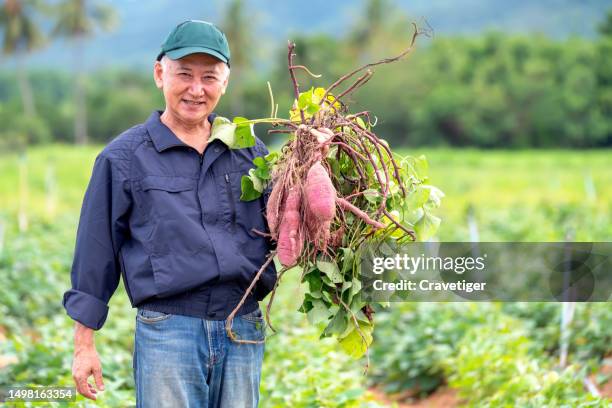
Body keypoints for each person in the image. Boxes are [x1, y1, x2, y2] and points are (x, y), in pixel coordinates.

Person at [62, 20, 277, 407]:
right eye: (185, 74)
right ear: (160, 74)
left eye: (209, 77)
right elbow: (96, 252)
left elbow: (288, 224)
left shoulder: (250, 152)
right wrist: (84, 345)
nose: (197, 89)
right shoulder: (124, 157)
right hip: (170, 330)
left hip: (243, 327)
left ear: (224, 83)